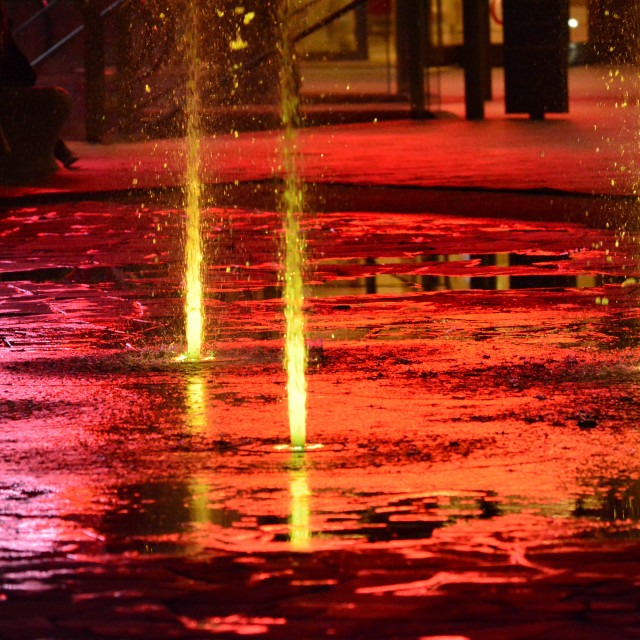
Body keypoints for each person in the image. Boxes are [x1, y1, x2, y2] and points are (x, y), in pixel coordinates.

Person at [0, 0, 77, 168]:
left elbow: (25, 74)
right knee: (29, 111)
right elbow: (27, 75)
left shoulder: (8, 51)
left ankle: (58, 150)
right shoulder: (8, 50)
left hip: (12, 97)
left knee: (28, 110)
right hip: (12, 97)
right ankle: (59, 151)